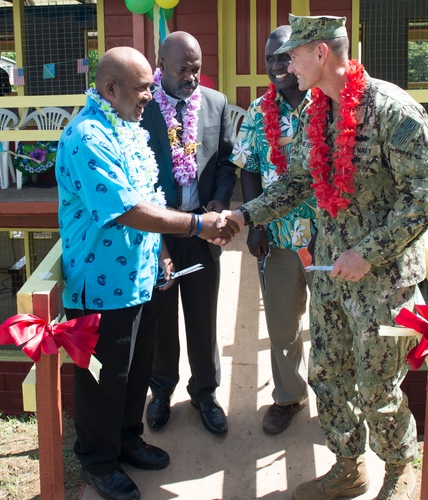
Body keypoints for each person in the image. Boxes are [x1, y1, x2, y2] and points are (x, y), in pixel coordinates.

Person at [225, 15, 428, 500]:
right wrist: (243, 216)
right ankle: (349, 467)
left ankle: (398, 472)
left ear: (320, 53)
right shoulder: (314, 112)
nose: (285, 66)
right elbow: (298, 181)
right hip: (326, 272)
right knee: (327, 373)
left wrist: (367, 253)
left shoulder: (393, 111)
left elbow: (426, 199)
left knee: (378, 387)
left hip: (382, 282)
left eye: (292, 56)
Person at [57, 46, 236, 500]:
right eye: (142, 88)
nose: (149, 97)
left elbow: (151, 193)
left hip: (139, 278)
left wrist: (160, 256)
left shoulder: (127, 127)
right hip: (99, 288)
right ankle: (99, 461)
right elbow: (131, 209)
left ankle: (128, 440)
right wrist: (198, 224)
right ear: (109, 88)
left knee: (136, 372)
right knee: (104, 380)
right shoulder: (88, 136)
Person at [140, 31, 237, 436]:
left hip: (200, 229)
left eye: (196, 69)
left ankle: (205, 393)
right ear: (161, 64)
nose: (192, 77)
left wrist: (218, 199)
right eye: (183, 69)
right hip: (158, 229)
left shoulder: (216, 104)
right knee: (161, 318)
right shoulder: (142, 109)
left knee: (202, 316)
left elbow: (229, 160)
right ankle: (161, 392)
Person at [231, 25, 316, 435]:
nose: (277, 66)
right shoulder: (258, 111)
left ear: (301, 56)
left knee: (335, 323)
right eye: (270, 59)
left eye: (283, 56)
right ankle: (289, 397)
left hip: (328, 238)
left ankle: (339, 401)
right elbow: (247, 167)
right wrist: (256, 224)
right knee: (282, 326)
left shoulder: (329, 103)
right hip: (278, 238)